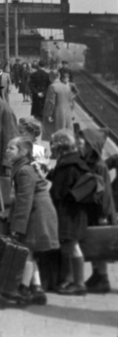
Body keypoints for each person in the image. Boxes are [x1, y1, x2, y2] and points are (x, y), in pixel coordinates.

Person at [4, 136, 59, 305]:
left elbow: (24, 200)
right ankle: (37, 289)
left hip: (37, 214)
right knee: (31, 251)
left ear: (23, 151)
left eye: (11, 148)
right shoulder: (22, 167)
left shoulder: (24, 171)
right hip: (37, 212)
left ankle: (23, 290)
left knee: (25, 250)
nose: (7, 150)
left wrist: (17, 227)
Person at [47, 129, 92, 295]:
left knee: (72, 246)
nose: (51, 147)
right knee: (69, 245)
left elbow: (58, 191)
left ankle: (79, 283)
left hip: (69, 212)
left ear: (60, 145)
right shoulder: (75, 160)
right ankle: (70, 279)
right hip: (76, 211)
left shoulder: (67, 164)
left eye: (53, 144)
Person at [78, 126, 116, 294]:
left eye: (82, 144)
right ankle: (96, 274)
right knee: (93, 243)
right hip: (93, 209)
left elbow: (105, 193)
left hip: (101, 211)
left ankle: (102, 278)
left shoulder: (99, 166)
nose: (79, 146)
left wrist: (103, 215)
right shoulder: (90, 162)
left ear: (91, 146)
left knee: (100, 246)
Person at [43, 69, 73, 141]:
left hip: (56, 114)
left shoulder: (52, 87)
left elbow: (50, 102)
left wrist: (49, 114)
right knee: (65, 135)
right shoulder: (67, 87)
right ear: (59, 76)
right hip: (67, 114)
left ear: (50, 77)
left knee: (55, 136)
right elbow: (70, 102)